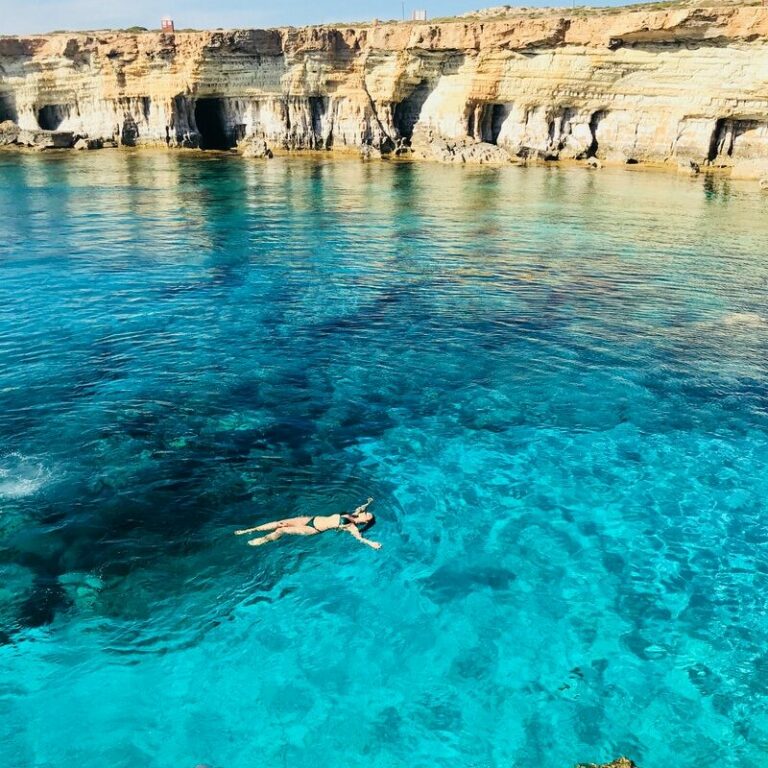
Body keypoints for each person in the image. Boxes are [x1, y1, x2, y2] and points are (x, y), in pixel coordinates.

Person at [234, 497, 381, 550]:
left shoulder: (351, 526)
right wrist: (368, 503)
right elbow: (361, 508)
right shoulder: (354, 513)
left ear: (364, 521)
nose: (365, 513)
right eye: (366, 512)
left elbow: (359, 538)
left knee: (283, 530)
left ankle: (262, 540)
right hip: (311, 519)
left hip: (313, 529)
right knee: (281, 523)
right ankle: (249, 530)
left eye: (367, 516)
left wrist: (372, 543)